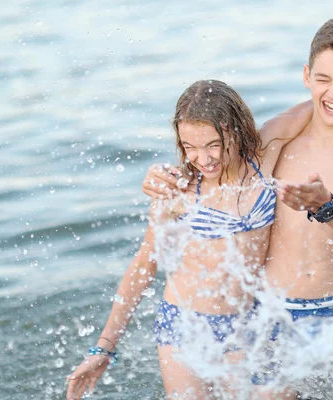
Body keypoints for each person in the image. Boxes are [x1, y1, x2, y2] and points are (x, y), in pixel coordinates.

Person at [142, 17, 333, 398]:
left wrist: (328, 206)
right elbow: (211, 161)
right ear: (306, 76)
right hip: (272, 312)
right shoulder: (275, 140)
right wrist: (160, 178)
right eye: (323, 79)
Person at [66, 79, 314, 400]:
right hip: (186, 326)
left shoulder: (264, 156)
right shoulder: (176, 191)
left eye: (213, 144)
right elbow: (143, 266)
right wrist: (104, 347)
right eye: (190, 147)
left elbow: (326, 103)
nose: (203, 158)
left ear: (236, 130)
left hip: (249, 322)